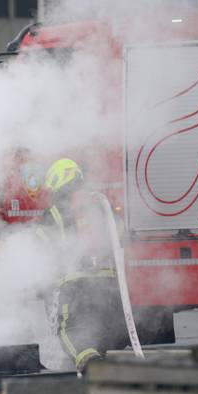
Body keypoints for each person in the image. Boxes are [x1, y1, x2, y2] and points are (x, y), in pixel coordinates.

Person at [40, 158, 128, 373]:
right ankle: (101, 373)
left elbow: (43, 247)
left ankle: (91, 366)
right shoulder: (102, 204)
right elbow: (121, 234)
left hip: (75, 282)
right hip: (108, 282)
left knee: (68, 330)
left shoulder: (55, 212)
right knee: (101, 328)